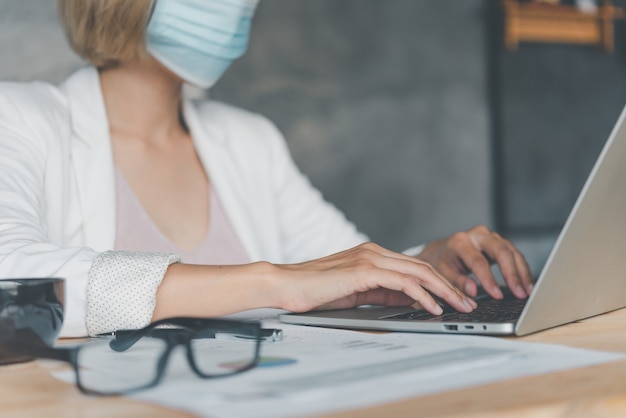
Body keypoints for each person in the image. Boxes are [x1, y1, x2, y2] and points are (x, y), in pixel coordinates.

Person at [0, 0, 533, 338]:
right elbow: (13, 283)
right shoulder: (19, 117)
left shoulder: (248, 140)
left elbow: (336, 271)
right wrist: (269, 282)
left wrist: (424, 264)